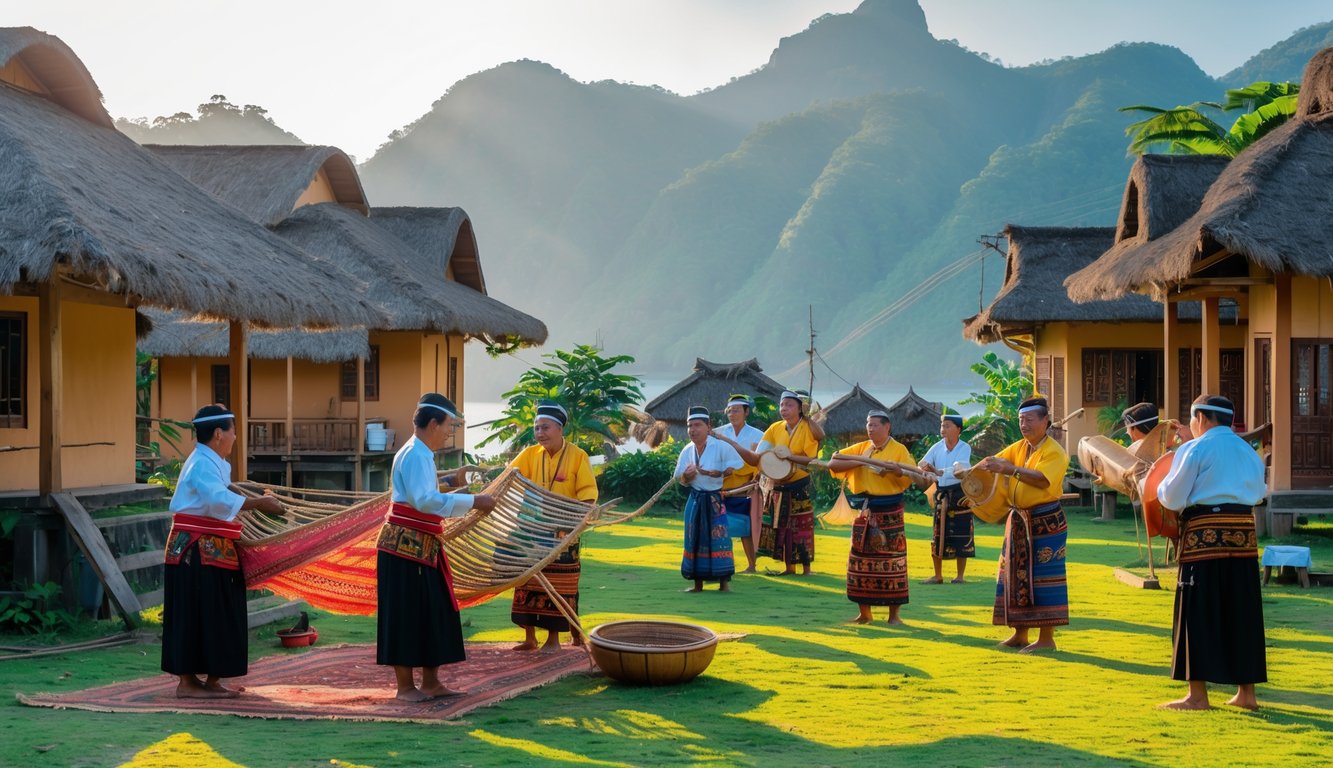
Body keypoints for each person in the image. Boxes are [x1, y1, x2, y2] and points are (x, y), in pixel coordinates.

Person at [376, 394, 495, 702]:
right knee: (404, 614)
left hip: (423, 547)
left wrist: (451, 487)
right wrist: (473, 501)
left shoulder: (421, 454)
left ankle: (431, 683)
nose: (449, 432)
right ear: (433, 423)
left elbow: (424, 492)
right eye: (447, 426)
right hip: (405, 548)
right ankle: (405, 688)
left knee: (434, 610)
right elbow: (424, 501)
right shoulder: (416, 454)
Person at [162, 404, 284, 699]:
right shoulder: (202, 463)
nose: (235, 436)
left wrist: (248, 497)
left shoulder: (210, 461)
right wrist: (258, 504)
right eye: (233, 430)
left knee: (218, 611)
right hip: (194, 550)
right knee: (197, 612)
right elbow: (217, 500)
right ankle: (188, 683)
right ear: (219, 434)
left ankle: (212, 680)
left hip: (211, 548)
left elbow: (222, 494)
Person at [1155, 394, 1267, 711]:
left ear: (1201, 419)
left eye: (1192, 420)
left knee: (1197, 614)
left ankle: (1197, 696)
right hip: (1242, 538)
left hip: (1203, 537)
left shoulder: (1194, 448)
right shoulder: (1249, 452)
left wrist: (1159, 482)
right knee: (1242, 612)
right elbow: (1259, 494)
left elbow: (1173, 498)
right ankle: (1247, 694)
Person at [976, 395, 1070, 653]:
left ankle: (1046, 639)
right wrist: (967, 473)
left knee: (1044, 578)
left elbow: (1041, 480)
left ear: (1045, 421)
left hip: (1046, 520)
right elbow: (993, 462)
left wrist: (1009, 470)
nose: (1024, 424)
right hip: (1019, 519)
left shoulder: (1055, 452)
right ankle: (1020, 633)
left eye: (1029, 419)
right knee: (1015, 577)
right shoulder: (1019, 447)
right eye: (1020, 420)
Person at [510, 401, 598, 652]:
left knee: (561, 585)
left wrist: (578, 523)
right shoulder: (528, 455)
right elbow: (509, 479)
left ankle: (553, 640)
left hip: (564, 532)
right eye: (537, 428)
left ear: (560, 429)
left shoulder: (578, 456)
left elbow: (588, 495)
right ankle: (529, 638)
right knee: (526, 581)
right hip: (530, 531)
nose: (540, 433)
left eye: (545, 427)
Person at [719, 389, 825, 575]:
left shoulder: (808, 428)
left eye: (789, 405)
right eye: (782, 405)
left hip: (799, 484)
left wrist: (790, 456)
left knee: (801, 527)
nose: (783, 408)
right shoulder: (774, 428)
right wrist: (734, 445)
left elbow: (812, 459)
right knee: (782, 527)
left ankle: (806, 569)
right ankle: (789, 568)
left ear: (800, 409)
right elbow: (757, 457)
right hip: (778, 484)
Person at [826, 410, 914, 624]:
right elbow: (833, 463)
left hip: (890, 510)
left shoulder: (899, 450)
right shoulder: (862, 448)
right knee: (859, 561)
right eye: (868, 424)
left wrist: (894, 471)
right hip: (864, 510)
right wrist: (861, 461)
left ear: (887, 427)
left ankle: (894, 616)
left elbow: (913, 475)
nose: (870, 428)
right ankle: (865, 614)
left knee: (894, 563)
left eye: (875, 425)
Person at [675, 406, 743, 592]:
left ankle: (724, 584)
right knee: (693, 539)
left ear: (708, 427)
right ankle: (697, 585)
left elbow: (737, 464)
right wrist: (687, 476)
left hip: (714, 500)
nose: (693, 430)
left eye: (697, 425)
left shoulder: (720, 446)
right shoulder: (687, 449)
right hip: (695, 499)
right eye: (690, 426)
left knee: (719, 539)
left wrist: (724, 472)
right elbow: (679, 479)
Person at [919, 413, 974, 584]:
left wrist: (940, 472)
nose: (943, 429)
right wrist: (925, 469)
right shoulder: (936, 447)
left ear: (958, 429)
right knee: (937, 533)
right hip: (941, 493)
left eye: (947, 425)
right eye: (942, 425)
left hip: (960, 494)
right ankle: (938, 575)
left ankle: (960, 576)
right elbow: (922, 463)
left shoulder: (965, 448)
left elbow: (961, 469)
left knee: (962, 533)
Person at [714, 394, 765, 572]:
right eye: (729, 411)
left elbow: (760, 461)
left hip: (746, 487)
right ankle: (726, 563)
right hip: (722, 484)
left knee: (746, 528)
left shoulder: (758, 435)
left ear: (746, 412)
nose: (732, 414)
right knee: (720, 527)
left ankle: (752, 565)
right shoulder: (718, 433)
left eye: (736, 410)